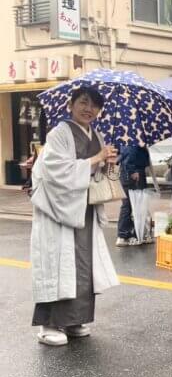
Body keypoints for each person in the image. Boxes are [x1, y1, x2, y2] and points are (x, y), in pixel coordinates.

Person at [29, 86, 120, 346]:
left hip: (84, 209)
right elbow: (55, 171)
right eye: (83, 102)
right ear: (70, 105)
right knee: (57, 264)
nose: (89, 109)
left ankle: (73, 320)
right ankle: (48, 324)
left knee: (82, 266)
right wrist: (96, 158)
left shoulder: (97, 135)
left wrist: (107, 161)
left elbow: (95, 172)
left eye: (95, 105)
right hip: (58, 210)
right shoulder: (58, 133)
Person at [115, 144, 151, 246]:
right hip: (134, 172)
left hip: (128, 171)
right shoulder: (133, 136)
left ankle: (127, 234)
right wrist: (132, 171)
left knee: (129, 204)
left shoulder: (125, 137)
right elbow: (130, 151)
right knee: (134, 204)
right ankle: (126, 235)